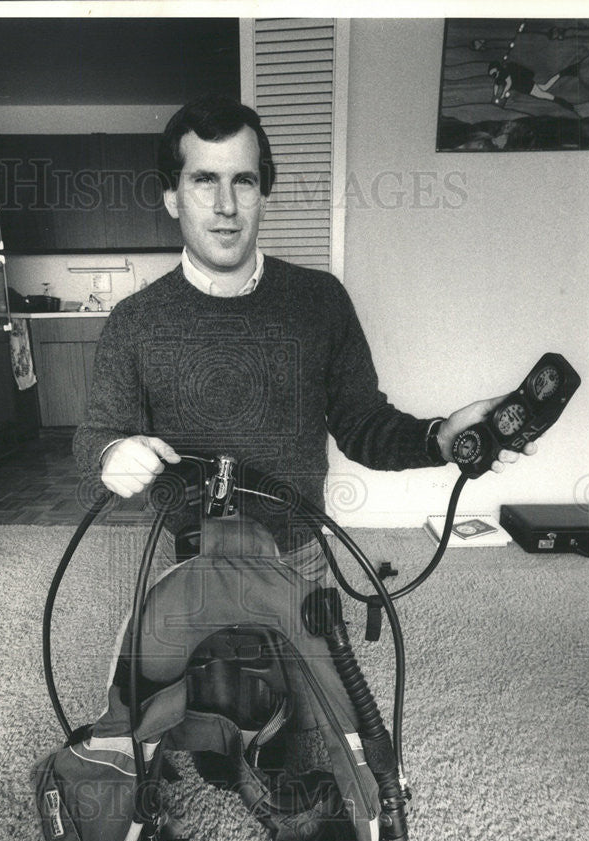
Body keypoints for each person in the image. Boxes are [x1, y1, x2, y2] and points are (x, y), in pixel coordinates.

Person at [72, 93, 536, 582]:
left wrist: (439, 437)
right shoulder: (134, 320)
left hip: (298, 551)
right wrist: (110, 453)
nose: (226, 205)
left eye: (243, 181)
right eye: (204, 180)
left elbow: (363, 424)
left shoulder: (321, 301)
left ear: (264, 196)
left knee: (306, 661)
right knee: (166, 660)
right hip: (185, 554)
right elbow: (96, 433)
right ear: (172, 197)